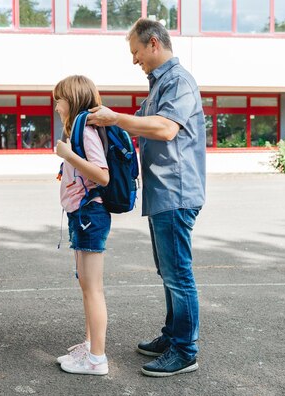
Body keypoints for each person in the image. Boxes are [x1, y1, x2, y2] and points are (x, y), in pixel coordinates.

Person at [87, 18, 206, 377]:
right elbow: (138, 125)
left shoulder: (178, 81)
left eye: (136, 52)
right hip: (162, 192)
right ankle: (173, 336)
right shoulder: (159, 86)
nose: (134, 60)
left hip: (177, 190)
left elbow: (165, 128)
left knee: (178, 274)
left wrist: (116, 118)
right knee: (167, 271)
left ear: (153, 43)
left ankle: (185, 351)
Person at [53, 75, 111, 376]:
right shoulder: (80, 130)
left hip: (90, 215)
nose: (57, 106)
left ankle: (97, 359)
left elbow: (103, 176)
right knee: (86, 286)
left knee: (93, 289)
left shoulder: (86, 132)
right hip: (82, 215)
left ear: (73, 99)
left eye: (60, 100)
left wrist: (69, 155)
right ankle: (90, 347)